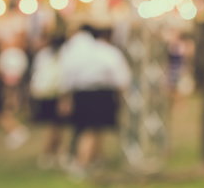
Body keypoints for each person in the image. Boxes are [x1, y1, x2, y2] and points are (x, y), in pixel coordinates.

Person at [60, 25, 130, 179]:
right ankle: (81, 163)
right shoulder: (106, 51)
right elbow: (121, 76)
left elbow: (67, 75)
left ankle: (94, 159)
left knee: (90, 128)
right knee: (92, 129)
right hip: (101, 93)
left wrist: (66, 97)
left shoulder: (73, 51)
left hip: (81, 92)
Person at [29, 35, 66, 168]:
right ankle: (50, 153)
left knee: (54, 126)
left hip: (44, 93)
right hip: (56, 93)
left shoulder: (43, 55)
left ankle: (53, 153)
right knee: (55, 126)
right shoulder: (64, 55)